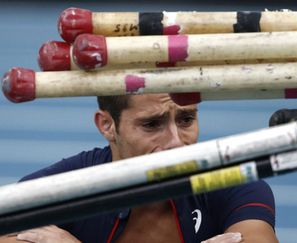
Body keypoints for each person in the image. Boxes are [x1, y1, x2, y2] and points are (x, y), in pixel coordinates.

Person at [0, 93, 278, 243]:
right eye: (152, 124)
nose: (176, 143)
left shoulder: (234, 183)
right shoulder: (56, 188)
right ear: (107, 125)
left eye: (186, 119)